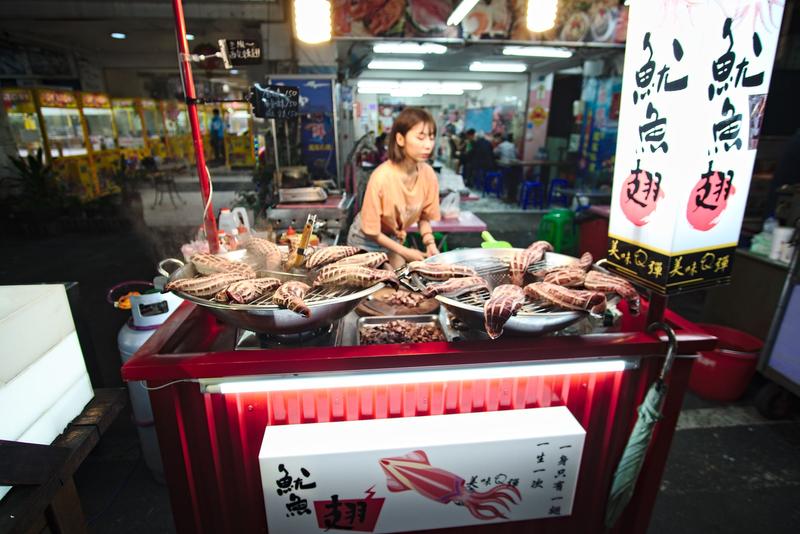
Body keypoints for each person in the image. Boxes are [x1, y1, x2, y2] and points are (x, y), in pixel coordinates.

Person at [347, 107, 441, 268]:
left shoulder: (428, 174)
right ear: (400, 139)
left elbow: (424, 216)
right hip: (364, 241)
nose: (428, 145)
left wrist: (430, 243)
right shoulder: (381, 177)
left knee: (396, 286)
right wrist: (405, 252)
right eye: (421, 137)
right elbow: (371, 230)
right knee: (373, 288)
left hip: (394, 238)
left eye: (431, 138)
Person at [494, 133, 521, 202]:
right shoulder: (513, 145)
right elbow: (517, 154)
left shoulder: (501, 145)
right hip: (514, 166)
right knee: (513, 182)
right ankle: (513, 196)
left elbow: (495, 153)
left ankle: (506, 196)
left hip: (505, 166)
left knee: (506, 181)